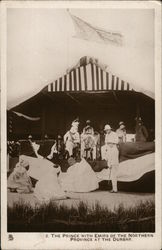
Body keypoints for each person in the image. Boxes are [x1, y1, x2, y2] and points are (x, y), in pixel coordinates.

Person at [101, 124, 119, 193]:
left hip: (114, 157)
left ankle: (115, 189)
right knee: (112, 174)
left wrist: (111, 143)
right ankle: (114, 189)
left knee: (114, 173)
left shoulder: (114, 134)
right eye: (106, 130)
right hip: (109, 154)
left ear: (110, 129)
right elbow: (106, 145)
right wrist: (107, 160)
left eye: (108, 130)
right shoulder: (107, 136)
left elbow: (117, 141)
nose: (107, 131)